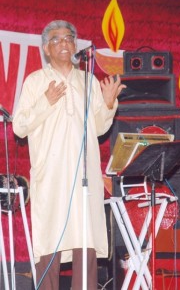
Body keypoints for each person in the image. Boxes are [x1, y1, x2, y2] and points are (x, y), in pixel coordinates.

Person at [12, 20, 126, 290]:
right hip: (50, 177)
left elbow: (99, 127)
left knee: (84, 238)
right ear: (46, 49)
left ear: (75, 45)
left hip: (84, 177)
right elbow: (19, 126)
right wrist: (46, 101)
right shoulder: (35, 81)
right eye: (56, 39)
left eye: (69, 38)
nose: (64, 43)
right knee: (50, 239)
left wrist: (108, 104)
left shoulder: (87, 81)